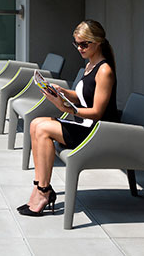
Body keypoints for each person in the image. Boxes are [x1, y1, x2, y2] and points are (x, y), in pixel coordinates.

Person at [18, 19, 119, 216]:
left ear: (97, 42)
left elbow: (97, 112)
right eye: (77, 44)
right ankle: (40, 187)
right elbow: (83, 97)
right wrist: (62, 91)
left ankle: (43, 192)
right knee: (35, 123)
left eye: (84, 44)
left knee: (43, 128)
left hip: (97, 133)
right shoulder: (91, 65)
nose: (79, 48)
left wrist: (65, 108)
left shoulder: (104, 70)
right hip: (86, 126)